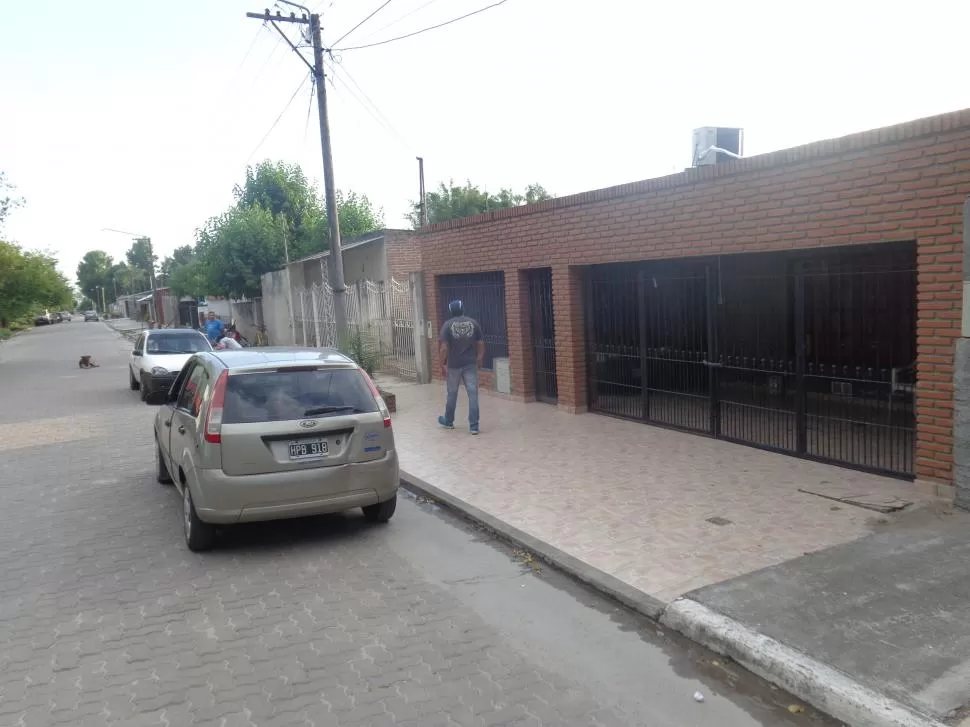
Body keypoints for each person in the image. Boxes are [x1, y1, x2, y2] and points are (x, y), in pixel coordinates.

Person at [437, 299, 485, 435]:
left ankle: (449, 421)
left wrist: (442, 364)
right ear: (463, 309)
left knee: (452, 394)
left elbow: (444, 348)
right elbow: (481, 343)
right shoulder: (473, 323)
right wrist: (479, 358)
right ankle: (474, 426)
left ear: (451, 311)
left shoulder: (447, 325)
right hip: (470, 364)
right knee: (473, 394)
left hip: (454, 365)